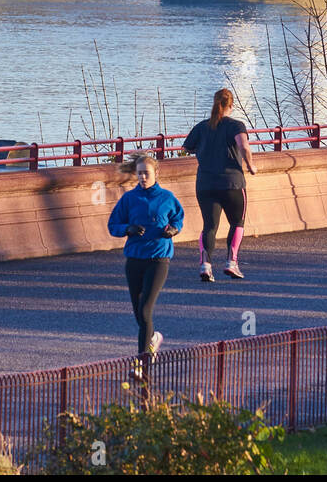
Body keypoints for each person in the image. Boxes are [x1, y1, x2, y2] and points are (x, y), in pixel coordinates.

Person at [106, 152, 184, 361]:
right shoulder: (129, 199)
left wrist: (173, 230)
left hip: (158, 259)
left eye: (146, 173)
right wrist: (127, 228)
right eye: (139, 174)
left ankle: (142, 363)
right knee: (139, 313)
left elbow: (178, 218)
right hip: (134, 260)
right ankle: (152, 339)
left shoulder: (167, 197)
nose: (142, 178)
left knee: (146, 308)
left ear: (156, 173)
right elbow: (113, 225)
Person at [182, 88, 255, 282]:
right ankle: (232, 262)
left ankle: (205, 265)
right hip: (232, 183)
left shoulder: (201, 127)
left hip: (205, 184)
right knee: (237, 223)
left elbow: (187, 147)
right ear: (231, 106)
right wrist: (250, 165)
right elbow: (244, 147)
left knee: (210, 226)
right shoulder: (236, 126)